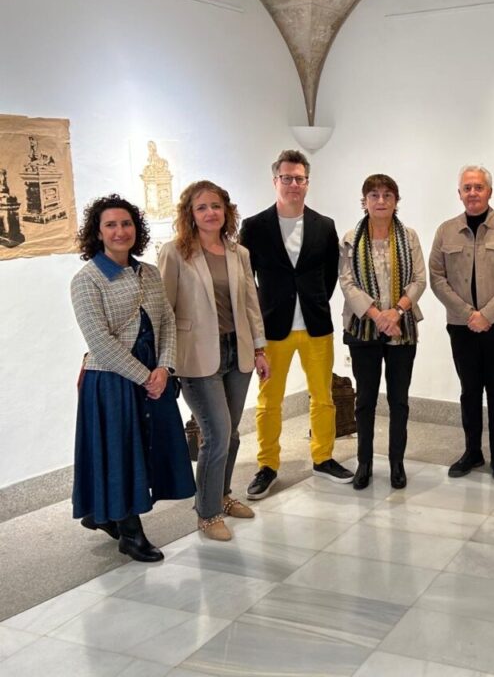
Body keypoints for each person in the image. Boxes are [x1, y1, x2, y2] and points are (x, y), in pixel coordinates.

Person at [70, 194, 195, 562]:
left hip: (152, 373)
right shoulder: (86, 280)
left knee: (147, 448)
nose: (120, 231)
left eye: (126, 224)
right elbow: (100, 342)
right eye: (111, 225)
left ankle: (102, 512)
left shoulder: (149, 272)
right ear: (98, 232)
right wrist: (145, 376)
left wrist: (165, 367)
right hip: (111, 380)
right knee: (121, 452)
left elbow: (167, 322)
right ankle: (130, 532)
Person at [159, 181, 270, 541]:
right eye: (202, 207)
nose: (210, 213)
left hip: (235, 353)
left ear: (227, 211)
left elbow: (251, 303)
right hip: (196, 356)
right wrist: (165, 361)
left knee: (232, 434)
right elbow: (164, 310)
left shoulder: (239, 253)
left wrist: (259, 348)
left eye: (216, 206)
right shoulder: (175, 253)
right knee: (216, 434)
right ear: (190, 214)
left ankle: (221, 496)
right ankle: (206, 514)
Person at [239, 150, 351, 500]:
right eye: (286, 178)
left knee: (323, 397)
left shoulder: (324, 225)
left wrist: (314, 299)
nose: (293, 185)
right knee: (269, 401)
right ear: (275, 181)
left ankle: (323, 456)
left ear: (307, 183)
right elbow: (247, 280)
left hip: (316, 325)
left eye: (299, 178)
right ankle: (268, 465)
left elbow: (330, 272)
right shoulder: (254, 227)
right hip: (273, 328)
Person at [429, 165, 494, 482]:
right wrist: (467, 314)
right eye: (467, 188)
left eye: (479, 187)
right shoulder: (446, 231)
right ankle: (473, 451)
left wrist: (487, 314)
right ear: (459, 193)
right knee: (469, 390)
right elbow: (436, 277)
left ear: (489, 192)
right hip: (461, 326)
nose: (473, 193)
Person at [339, 174, 426, 490]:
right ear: (364, 201)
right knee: (365, 400)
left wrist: (397, 312)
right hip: (363, 329)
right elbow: (347, 283)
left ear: (396, 201)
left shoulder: (410, 237)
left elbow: (419, 280)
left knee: (399, 400)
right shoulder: (351, 237)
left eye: (387, 195)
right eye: (373, 195)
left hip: (402, 329)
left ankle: (397, 463)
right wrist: (377, 315)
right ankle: (364, 463)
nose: (380, 201)